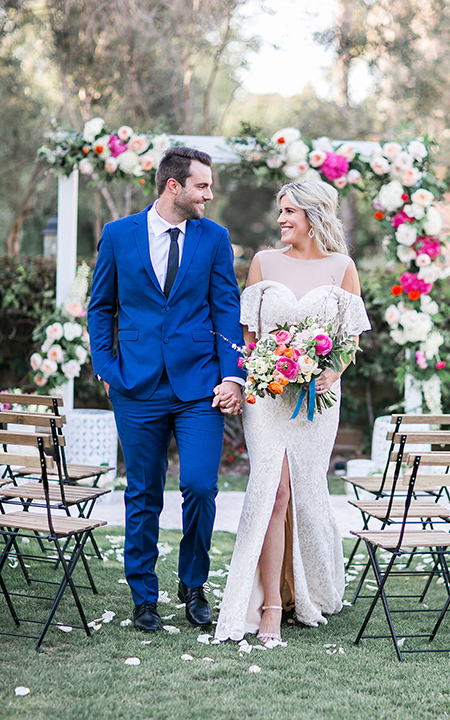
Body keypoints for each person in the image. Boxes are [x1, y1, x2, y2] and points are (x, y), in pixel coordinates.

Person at [88, 147, 244, 633]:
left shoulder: (215, 238)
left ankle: (193, 585)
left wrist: (232, 376)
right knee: (143, 492)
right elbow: (100, 307)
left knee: (200, 485)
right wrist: (108, 367)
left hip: (200, 386)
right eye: (202, 186)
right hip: (136, 385)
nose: (209, 195)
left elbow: (226, 310)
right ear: (173, 186)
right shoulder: (118, 236)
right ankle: (143, 596)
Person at [215, 177, 371, 644]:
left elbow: (348, 342)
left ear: (313, 215)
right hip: (267, 398)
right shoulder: (263, 263)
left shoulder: (342, 267)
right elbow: (248, 337)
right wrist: (262, 370)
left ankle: (306, 590)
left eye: (289, 212)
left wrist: (331, 373)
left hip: (316, 402)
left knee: (304, 493)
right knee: (273, 491)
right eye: (280, 211)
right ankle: (268, 608)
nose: (281, 219)